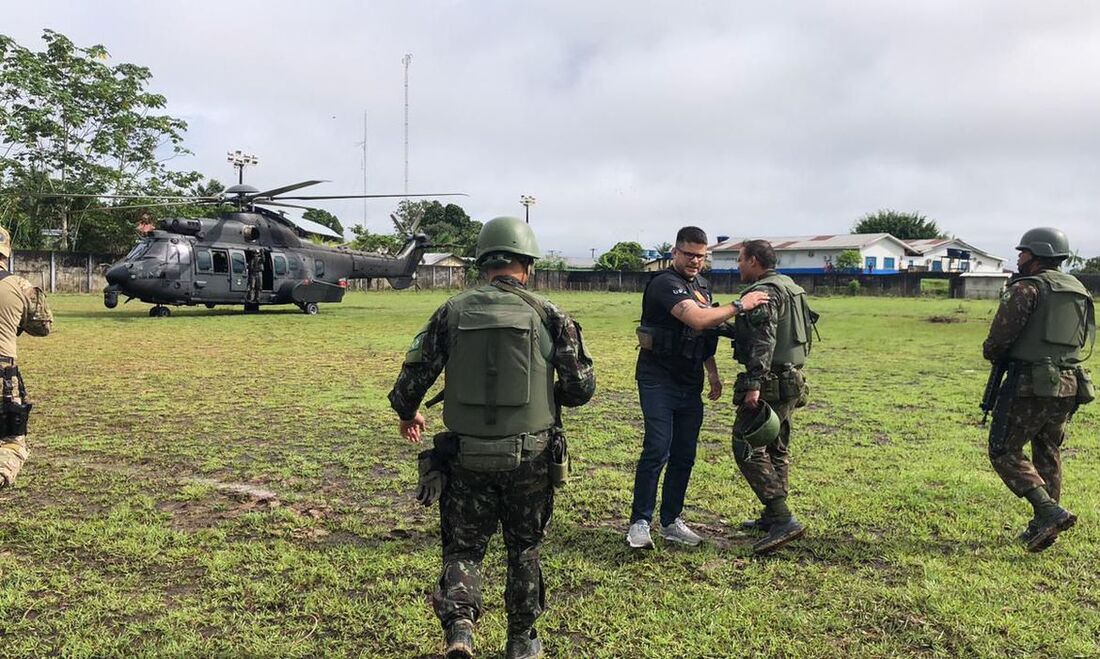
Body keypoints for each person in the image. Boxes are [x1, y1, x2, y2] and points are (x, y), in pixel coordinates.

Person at [388, 216, 595, 659]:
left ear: (481, 264)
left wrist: (409, 414)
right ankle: (521, 640)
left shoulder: (451, 311)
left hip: (465, 457)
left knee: (464, 546)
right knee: (524, 549)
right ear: (527, 265)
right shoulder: (550, 314)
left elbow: (412, 380)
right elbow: (581, 389)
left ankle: (461, 629)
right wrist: (548, 394)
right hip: (531, 457)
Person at [626, 227, 769, 549]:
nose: (694, 261)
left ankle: (671, 520)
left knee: (684, 454)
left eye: (700, 256)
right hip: (657, 378)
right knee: (657, 448)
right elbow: (699, 320)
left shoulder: (702, 285)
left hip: (690, 380)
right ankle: (640, 522)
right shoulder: (664, 284)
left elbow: (705, 336)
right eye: (688, 254)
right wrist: (740, 304)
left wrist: (713, 374)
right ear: (675, 252)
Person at [983, 227, 1094, 552]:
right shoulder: (1078, 289)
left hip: (1029, 383)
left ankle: (1048, 511)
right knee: (1048, 451)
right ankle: (1043, 527)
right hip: (1069, 383)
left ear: (1037, 254)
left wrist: (992, 350)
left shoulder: (1028, 289)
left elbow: (1000, 338)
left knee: (1004, 450)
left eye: (1023, 252)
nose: (1018, 257)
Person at [730, 239, 815, 554]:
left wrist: (754, 381)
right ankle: (771, 515)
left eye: (740, 259)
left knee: (746, 444)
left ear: (753, 260)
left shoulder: (762, 293)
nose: (737, 265)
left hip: (769, 380)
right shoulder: (790, 287)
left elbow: (764, 338)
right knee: (777, 447)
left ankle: (782, 518)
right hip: (791, 378)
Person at [0, 226, 53, 489]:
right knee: (10, 442)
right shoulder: (20, 286)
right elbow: (43, 326)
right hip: (2, 375)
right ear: (6, 254)